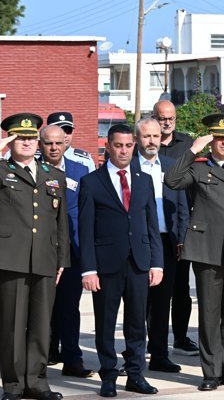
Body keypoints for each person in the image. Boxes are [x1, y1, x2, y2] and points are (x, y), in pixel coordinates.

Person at [164, 113, 224, 392]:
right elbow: (172, 180)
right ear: (211, 141)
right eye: (219, 138)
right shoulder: (197, 167)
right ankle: (211, 372)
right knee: (209, 315)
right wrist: (193, 149)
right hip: (206, 251)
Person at [78, 123, 163, 397]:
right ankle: (109, 376)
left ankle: (136, 374)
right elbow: (86, 229)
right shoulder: (91, 182)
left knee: (138, 323)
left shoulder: (144, 179)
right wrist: (88, 269)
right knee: (105, 322)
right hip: (106, 266)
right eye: (118, 145)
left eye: (128, 145)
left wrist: (156, 263)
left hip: (139, 262)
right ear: (108, 146)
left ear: (134, 146)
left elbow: (152, 225)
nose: (124, 150)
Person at [0, 114, 69, 400]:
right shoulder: (2, 170)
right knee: (12, 325)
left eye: (30, 138)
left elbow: (61, 222)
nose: (26, 142)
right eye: (20, 138)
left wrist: (62, 259)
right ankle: (14, 385)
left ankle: (37, 381)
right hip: (11, 258)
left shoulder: (54, 175)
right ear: (11, 140)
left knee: (42, 324)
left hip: (44, 258)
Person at [131, 119, 188, 373]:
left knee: (163, 300)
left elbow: (182, 206)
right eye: (146, 136)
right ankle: (134, 355)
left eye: (155, 136)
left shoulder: (170, 166)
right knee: (137, 301)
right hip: (137, 241)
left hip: (167, 241)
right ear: (137, 138)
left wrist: (182, 238)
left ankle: (160, 354)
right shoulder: (128, 167)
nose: (152, 141)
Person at [41, 125, 95, 379]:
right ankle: (40, 360)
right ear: (41, 145)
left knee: (70, 308)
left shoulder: (80, 170)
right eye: (48, 143)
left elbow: (86, 213)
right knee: (40, 309)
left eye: (58, 143)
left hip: (72, 250)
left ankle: (72, 359)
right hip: (41, 251)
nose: (54, 148)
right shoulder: (32, 171)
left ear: (66, 143)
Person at [152, 100, 198, 358]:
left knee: (181, 288)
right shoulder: (147, 144)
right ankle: (153, 339)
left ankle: (180, 337)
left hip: (182, 223)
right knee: (155, 289)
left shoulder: (188, 144)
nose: (167, 122)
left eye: (171, 118)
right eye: (162, 118)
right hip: (156, 225)